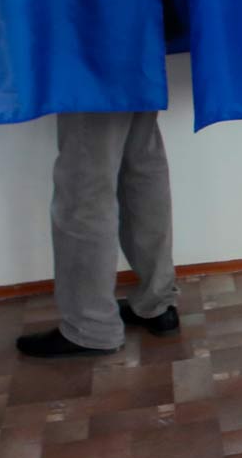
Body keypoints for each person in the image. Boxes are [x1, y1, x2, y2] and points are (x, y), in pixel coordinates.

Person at [16, 112, 178, 357]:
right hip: (140, 73)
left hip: (93, 74)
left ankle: (91, 326)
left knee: (85, 178)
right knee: (140, 157)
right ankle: (156, 302)